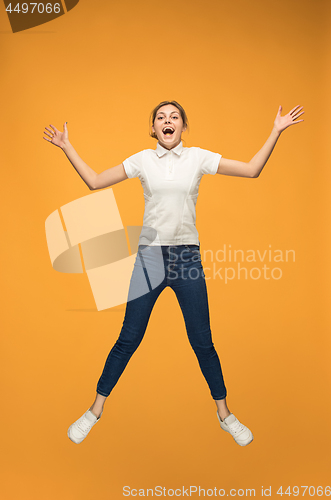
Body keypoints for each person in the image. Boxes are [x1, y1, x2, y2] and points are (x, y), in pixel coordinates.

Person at [43, 100, 304, 446]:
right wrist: (67, 147)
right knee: (128, 338)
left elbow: (252, 170)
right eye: (161, 118)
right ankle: (94, 411)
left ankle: (225, 415)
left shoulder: (198, 158)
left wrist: (276, 130)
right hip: (150, 258)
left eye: (174, 117)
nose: (168, 122)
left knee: (202, 341)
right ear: (153, 128)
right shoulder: (142, 160)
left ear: (183, 127)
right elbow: (94, 181)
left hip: (187, 258)